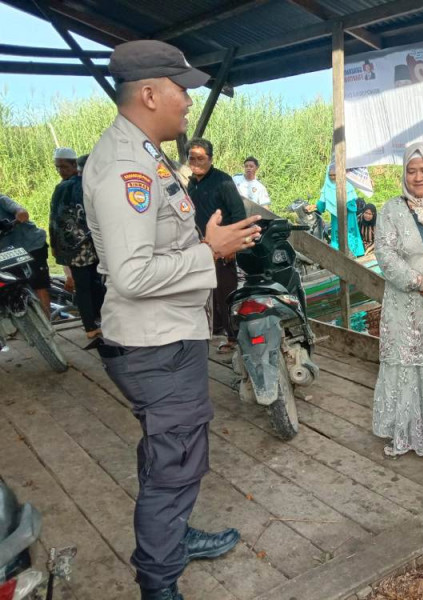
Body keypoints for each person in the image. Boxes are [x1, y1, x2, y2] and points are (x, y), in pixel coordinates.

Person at [82, 40, 262, 600]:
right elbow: (132, 275)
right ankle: (159, 583)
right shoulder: (125, 166)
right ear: (149, 93)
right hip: (154, 345)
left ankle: (174, 538)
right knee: (175, 465)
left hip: (166, 336)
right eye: (182, 89)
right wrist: (209, 252)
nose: (189, 100)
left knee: (168, 455)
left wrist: (203, 242)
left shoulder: (145, 152)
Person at [372, 142, 423, 458]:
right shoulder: (391, 210)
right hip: (403, 306)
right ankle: (406, 434)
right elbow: (385, 255)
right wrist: (420, 282)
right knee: (405, 363)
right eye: (411, 170)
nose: (418, 177)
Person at [186, 138, 247, 354]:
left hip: (223, 249)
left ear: (210, 159)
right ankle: (214, 330)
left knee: (226, 292)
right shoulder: (191, 184)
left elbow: (239, 213)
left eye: (200, 158)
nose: (196, 163)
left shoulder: (223, 181)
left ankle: (233, 337)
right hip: (201, 248)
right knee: (205, 291)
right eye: (192, 158)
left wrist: (233, 247)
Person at [49, 150, 105, 338]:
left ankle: (92, 324)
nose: (61, 171)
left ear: (75, 165)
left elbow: (54, 220)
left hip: (73, 246)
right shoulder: (81, 185)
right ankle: (93, 324)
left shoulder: (63, 187)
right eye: (58, 167)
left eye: (64, 167)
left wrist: (55, 246)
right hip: (84, 245)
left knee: (86, 285)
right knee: (91, 284)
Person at [0, 193, 50, 316]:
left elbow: (20, 211)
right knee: (11, 287)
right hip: (8, 255)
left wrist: (19, 215)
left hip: (31, 246)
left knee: (39, 286)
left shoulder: (2, 200)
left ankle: (48, 322)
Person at [316, 162, 366, 258]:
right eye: (330, 175)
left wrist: (345, 204)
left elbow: (352, 203)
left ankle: (355, 252)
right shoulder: (327, 187)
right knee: (337, 233)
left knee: (350, 232)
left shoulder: (347, 185)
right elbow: (321, 203)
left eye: (335, 175)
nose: (332, 177)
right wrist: (317, 206)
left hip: (349, 215)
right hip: (336, 216)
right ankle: (339, 252)